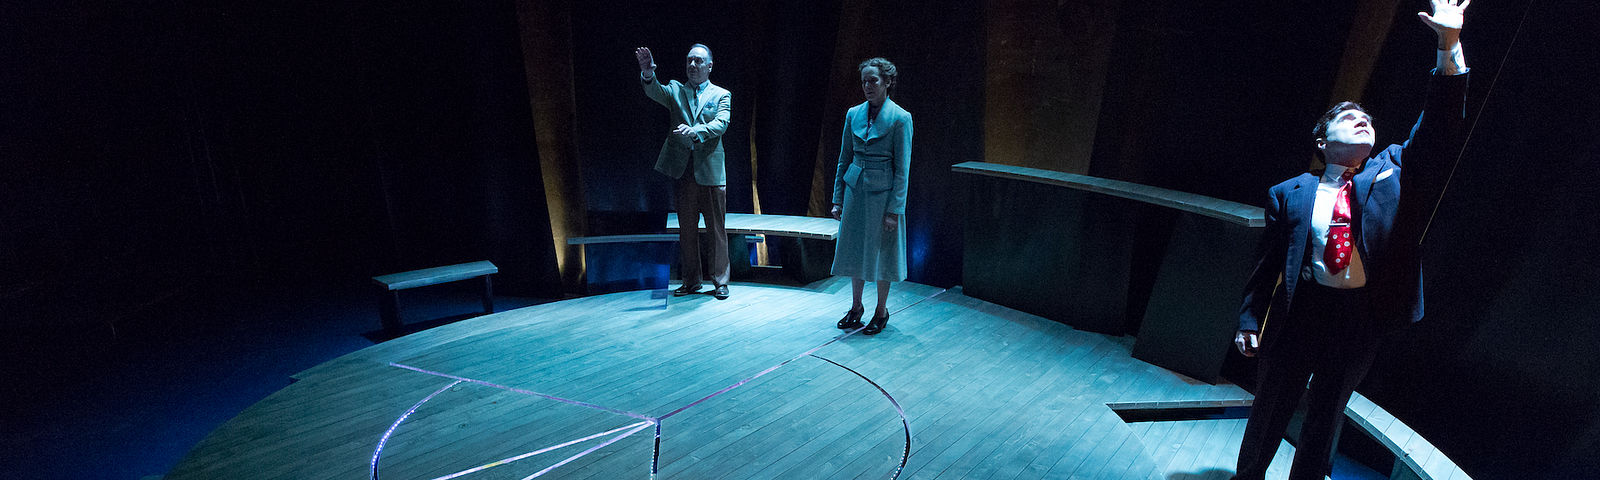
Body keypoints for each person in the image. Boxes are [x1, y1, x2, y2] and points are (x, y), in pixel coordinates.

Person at [1231, 1, 1470, 479]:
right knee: (1270, 409)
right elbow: (1268, 265)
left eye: (1367, 118)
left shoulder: (1396, 168)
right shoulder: (1289, 192)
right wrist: (1249, 317)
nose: (1363, 119)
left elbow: (1441, 126)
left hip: (1358, 318)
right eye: (1348, 116)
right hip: (1301, 312)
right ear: (1321, 141)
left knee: (1325, 418)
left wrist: (1449, 46)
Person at [635, 44, 733, 300]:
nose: (692, 65)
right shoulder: (676, 90)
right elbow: (655, 91)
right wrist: (647, 73)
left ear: (709, 66)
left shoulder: (722, 94)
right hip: (683, 171)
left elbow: (721, 123)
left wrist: (696, 131)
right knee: (686, 229)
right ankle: (691, 281)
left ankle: (720, 281)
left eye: (698, 61)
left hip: (710, 170)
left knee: (716, 230)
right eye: (689, 60)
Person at [831, 58, 913, 336]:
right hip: (855, 191)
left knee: (881, 255)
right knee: (854, 249)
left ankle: (881, 311)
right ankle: (856, 307)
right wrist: (837, 198)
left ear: (887, 82)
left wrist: (894, 211)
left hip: (882, 195)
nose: (867, 86)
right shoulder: (853, 114)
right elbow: (844, 159)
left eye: (873, 80)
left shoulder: (901, 118)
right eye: (864, 81)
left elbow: (902, 170)